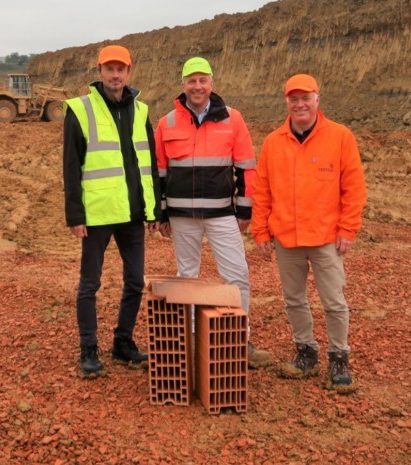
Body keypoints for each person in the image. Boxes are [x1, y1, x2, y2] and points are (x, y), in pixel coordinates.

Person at [251, 73, 367, 394]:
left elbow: (354, 189)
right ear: (286, 102)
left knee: (334, 301)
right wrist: (260, 231)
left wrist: (348, 228)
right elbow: (262, 190)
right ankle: (306, 352)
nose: (300, 103)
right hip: (287, 238)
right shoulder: (274, 141)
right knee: (293, 300)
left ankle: (338, 357)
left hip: (327, 237)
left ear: (318, 99)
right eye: (294, 98)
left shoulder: (340, 137)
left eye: (306, 97)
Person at [155, 57, 272, 369]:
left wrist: (245, 210)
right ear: (182, 85)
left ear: (211, 83)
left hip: (222, 214)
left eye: (202, 80)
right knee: (187, 277)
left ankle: (241, 340)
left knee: (237, 275)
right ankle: (192, 339)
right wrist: (162, 214)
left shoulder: (233, 119)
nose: (197, 86)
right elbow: (160, 174)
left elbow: (247, 168)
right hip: (182, 217)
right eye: (191, 80)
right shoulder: (166, 123)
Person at [63, 45, 161, 378]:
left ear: (129, 72)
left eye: (121, 69)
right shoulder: (81, 109)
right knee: (90, 284)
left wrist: (152, 209)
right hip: (98, 214)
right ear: (100, 71)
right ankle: (88, 350)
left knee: (135, 282)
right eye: (109, 69)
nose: (115, 75)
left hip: (133, 213)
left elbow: (148, 162)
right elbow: (71, 166)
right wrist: (75, 216)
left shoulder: (142, 111)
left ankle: (123, 342)